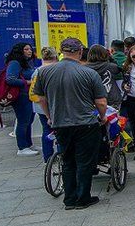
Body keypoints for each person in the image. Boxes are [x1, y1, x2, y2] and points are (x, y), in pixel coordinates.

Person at [32, 38, 108, 210]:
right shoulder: (88, 73)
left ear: (61, 51)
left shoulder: (44, 72)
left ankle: (70, 199)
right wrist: (103, 117)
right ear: (80, 52)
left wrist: (50, 116)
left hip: (60, 124)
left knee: (67, 161)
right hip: (85, 124)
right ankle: (83, 198)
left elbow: (41, 99)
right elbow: (101, 102)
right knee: (84, 162)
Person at [5, 42, 37, 156]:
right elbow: (10, 79)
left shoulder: (27, 63)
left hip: (28, 96)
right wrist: (28, 82)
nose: (29, 51)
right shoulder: (15, 63)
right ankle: (22, 147)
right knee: (23, 121)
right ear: (20, 51)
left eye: (30, 49)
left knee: (29, 120)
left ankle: (29, 144)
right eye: (26, 49)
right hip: (21, 97)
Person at [29, 47, 59, 162]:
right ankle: (62, 154)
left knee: (46, 130)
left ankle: (48, 157)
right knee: (59, 130)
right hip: (53, 104)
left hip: (39, 107)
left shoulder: (37, 71)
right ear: (55, 56)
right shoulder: (56, 69)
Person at [86, 44, 123, 110]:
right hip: (112, 99)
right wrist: (110, 57)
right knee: (113, 119)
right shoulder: (111, 66)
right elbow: (118, 68)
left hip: (93, 101)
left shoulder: (84, 69)